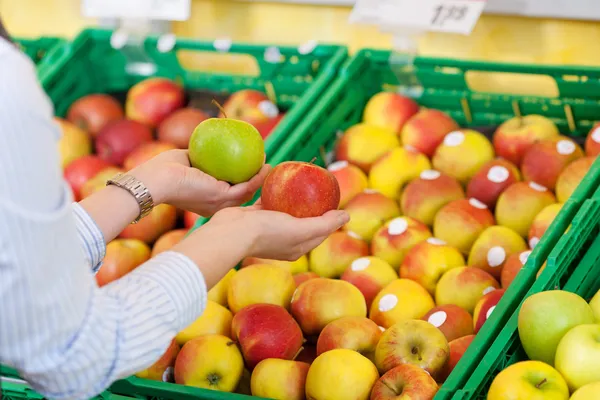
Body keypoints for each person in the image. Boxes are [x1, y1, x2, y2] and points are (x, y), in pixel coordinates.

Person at [0, 22, 349, 400]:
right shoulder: (9, 88)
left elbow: (15, 255)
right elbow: (71, 356)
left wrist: (149, 184)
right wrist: (233, 234)